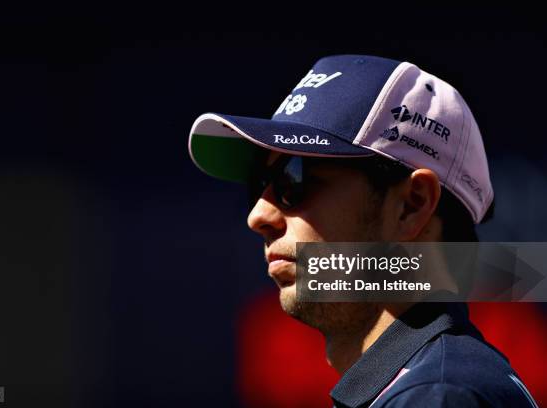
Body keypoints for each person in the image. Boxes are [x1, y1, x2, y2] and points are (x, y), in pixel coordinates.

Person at [187, 55, 538, 407]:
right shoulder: (434, 383)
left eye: (293, 179)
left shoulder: (438, 396)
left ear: (410, 206)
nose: (258, 215)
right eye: (258, 185)